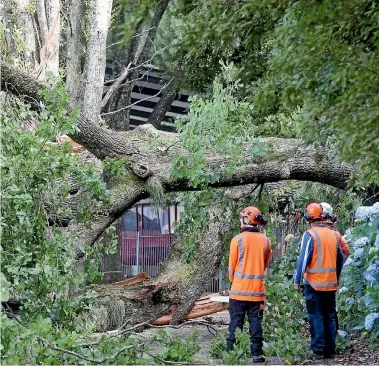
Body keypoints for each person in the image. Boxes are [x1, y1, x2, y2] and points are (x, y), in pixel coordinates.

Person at [294, 203, 344, 360]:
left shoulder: (310, 235)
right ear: (323, 216)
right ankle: (330, 349)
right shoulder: (334, 234)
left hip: (314, 284)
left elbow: (303, 259)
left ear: (308, 217)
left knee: (316, 316)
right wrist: (336, 276)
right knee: (329, 315)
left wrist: (297, 280)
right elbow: (340, 258)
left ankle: (318, 349)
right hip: (330, 284)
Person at [227, 206, 272, 364]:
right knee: (255, 322)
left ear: (247, 219)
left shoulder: (237, 239)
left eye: (242, 217)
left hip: (238, 291)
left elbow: (231, 267)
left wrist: (233, 282)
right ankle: (257, 354)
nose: (241, 220)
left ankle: (232, 353)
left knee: (236, 322)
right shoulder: (266, 241)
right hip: (257, 292)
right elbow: (264, 265)